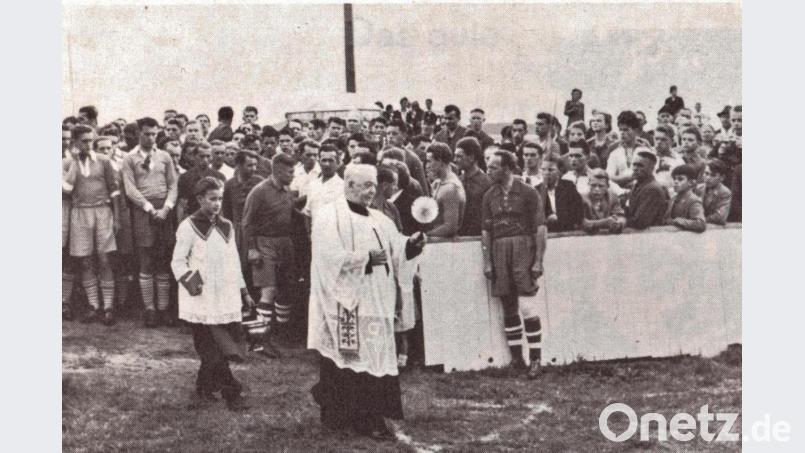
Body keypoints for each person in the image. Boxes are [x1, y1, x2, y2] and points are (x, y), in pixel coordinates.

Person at [308, 164, 426, 440]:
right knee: (349, 359)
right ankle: (351, 416)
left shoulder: (380, 219)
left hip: (376, 301)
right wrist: (367, 259)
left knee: (373, 358)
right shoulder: (329, 216)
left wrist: (411, 245)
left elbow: (395, 249)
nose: (373, 190)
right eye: (366, 185)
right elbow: (328, 257)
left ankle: (364, 414)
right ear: (349, 185)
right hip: (345, 302)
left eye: (374, 185)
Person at [171, 177, 255, 411]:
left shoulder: (227, 226)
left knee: (216, 349)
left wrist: (244, 291)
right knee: (210, 348)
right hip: (199, 298)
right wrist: (191, 282)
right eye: (212, 199)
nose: (217, 203)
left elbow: (234, 261)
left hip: (224, 296)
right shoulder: (188, 226)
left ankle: (203, 387)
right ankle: (232, 391)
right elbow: (178, 261)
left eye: (220, 198)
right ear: (200, 199)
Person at [482, 151, 546, 379]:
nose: (489, 171)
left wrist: (538, 260)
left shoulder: (528, 192)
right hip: (499, 250)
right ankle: (517, 359)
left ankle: (536, 359)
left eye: (493, 167)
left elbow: (540, 227)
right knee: (508, 306)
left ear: (507, 168)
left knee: (527, 306)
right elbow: (486, 231)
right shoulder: (489, 195)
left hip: (522, 248)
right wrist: (488, 261)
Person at [122, 117, 179, 327]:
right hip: (143, 211)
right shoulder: (129, 158)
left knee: (163, 260)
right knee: (146, 259)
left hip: (164, 212)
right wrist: (148, 208)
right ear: (139, 134)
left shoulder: (164, 156)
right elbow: (130, 189)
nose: (151, 138)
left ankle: (163, 309)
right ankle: (150, 309)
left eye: (154, 134)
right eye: (147, 134)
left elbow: (173, 185)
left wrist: (166, 208)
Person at [62, 126, 121, 325]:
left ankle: (108, 307)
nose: (88, 144)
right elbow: (67, 188)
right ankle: (93, 306)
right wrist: (74, 161)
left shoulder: (103, 160)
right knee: (85, 261)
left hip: (102, 212)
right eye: (84, 141)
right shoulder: (68, 162)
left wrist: (117, 218)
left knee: (105, 260)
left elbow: (114, 191)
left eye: (90, 140)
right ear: (75, 143)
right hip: (79, 213)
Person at [242, 153, 300, 351]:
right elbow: (247, 223)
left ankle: (282, 333)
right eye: (290, 172)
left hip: (285, 242)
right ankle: (260, 340)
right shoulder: (259, 191)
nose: (293, 175)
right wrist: (252, 249)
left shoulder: (287, 190)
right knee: (268, 290)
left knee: (286, 289)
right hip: (264, 242)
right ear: (278, 172)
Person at [222, 150, 264, 257]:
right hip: (238, 233)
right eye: (249, 165)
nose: (254, 169)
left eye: (255, 165)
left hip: (258, 232)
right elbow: (227, 212)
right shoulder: (229, 185)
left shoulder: (260, 183)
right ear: (239, 166)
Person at [425, 142, 466, 238]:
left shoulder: (451, 188)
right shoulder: (440, 182)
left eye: (429, 161)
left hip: (444, 243)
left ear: (440, 161)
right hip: (439, 241)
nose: (427, 166)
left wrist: (426, 236)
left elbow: (450, 227)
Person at [178, 141, 226, 220]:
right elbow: (182, 205)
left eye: (208, 156)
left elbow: (222, 204)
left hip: (213, 218)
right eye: (202, 156)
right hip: (193, 218)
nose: (205, 160)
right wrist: (181, 224)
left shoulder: (219, 177)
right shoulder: (185, 177)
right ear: (194, 156)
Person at [455, 137, 492, 236]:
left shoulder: (487, 183)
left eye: (459, 156)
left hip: (479, 237)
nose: (455, 160)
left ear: (471, 157)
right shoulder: (458, 181)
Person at [625, 150, 668, 230]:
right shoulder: (637, 185)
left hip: (649, 234)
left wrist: (620, 221)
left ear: (651, 168)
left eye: (640, 166)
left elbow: (640, 222)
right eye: (634, 165)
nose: (635, 168)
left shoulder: (653, 189)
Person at [541, 157, 584, 233]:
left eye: (551, 170)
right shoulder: (537, 190)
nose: (546, 173)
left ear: (559, 171)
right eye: (543, 169)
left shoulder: (569, 187)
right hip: (545, 232)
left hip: (567, 231)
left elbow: (578, 213)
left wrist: (558, 219)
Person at [303, 144, 344, 221]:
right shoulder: (313, 185)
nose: (327, 164)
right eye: (324, 160)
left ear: (337, 162)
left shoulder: (342, 187)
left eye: (331, 160)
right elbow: (308, 213)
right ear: (319, 162)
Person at [581, 169, 625, 235]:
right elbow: (582, 223)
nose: (596, 189)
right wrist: (604, 222)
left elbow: (621, 215)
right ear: (588, 184)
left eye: (601, 186)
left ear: (608, 186)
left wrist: (619, 223)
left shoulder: (612, 196)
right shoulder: (581, 199)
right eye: (593, 185)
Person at [665, 165, 706, 233]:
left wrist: (678, 221)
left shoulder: (693, 200)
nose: (675, 181)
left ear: (691, 183)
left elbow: (700, 224)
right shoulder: (673, 199)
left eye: (680, 179)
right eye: (674, 178)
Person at [607, 111, 642, 189]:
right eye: (620, 130)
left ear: (635, 130)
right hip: (619, 192)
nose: (622, 133)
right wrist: (629, 178)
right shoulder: (615, 153)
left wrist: (618, 179)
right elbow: (609, 177)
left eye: (626, 130)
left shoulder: (644, 151)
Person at [694, 159, 733, 225]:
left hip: (714, 227)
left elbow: (720, 216)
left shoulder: (725, 192)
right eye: (706, 173)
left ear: (722, 177)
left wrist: (701, 220)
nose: (708, 177)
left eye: (713, 175)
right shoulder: (698, 188)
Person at [653, 125, 686, 192]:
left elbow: (681, 187)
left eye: (663, 139)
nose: (659, 142)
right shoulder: (647, 155)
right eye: (656, 139)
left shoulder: (678, 162)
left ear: (672, 141)